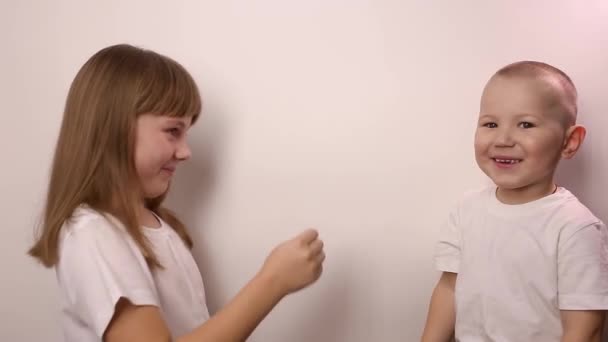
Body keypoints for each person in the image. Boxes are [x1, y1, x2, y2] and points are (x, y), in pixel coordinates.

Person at [28, 43, 326, 342]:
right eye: (173, 131)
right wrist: (273, 281)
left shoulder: (155, 226)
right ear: (114, 128)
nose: (185, 152)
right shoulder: (93, 234)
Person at [421, 61, 608, 341]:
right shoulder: (467, 210)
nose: (503, 138)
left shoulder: (574, 227)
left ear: (569, 142)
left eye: (525, 124)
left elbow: (585, 326)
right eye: (491, 124)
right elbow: (449, 288)